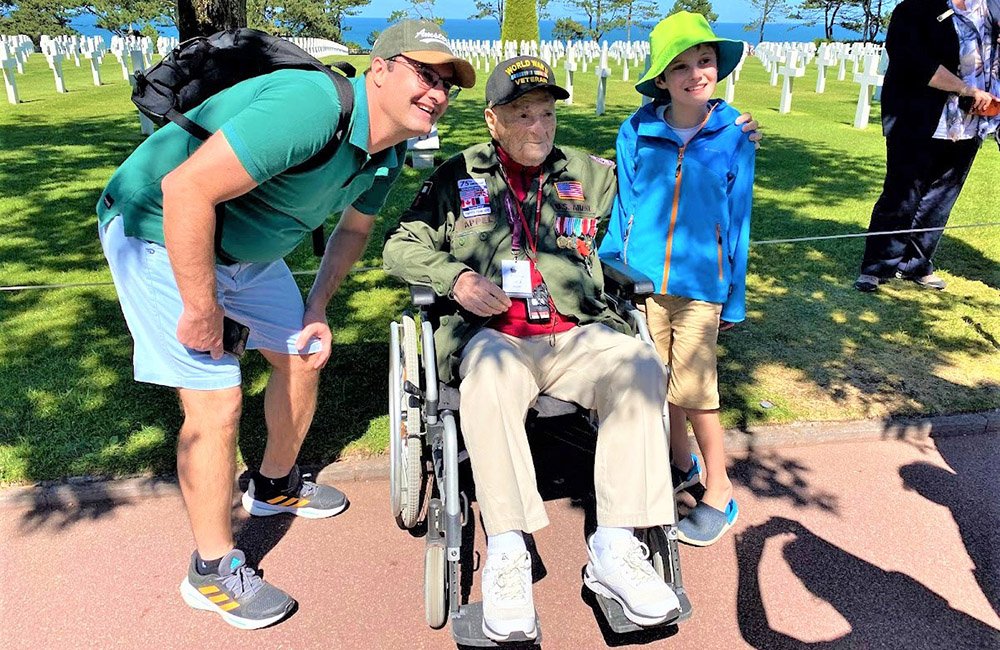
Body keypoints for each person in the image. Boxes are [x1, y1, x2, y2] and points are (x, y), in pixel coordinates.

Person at [96, 20, 474, 629]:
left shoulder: (389, 150)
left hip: (244, 248)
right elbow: (185, 190)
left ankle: (272, 484)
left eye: (446, 84)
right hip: (157, 229)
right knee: (216, 401)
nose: (437, 92)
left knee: (301, 352)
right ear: (380, 69)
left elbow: (353, 230)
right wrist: (199, 308)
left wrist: (318, 308)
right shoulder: (312, 106)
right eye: (424, 75)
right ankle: (212, 570)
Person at [382, 56, 758, 642]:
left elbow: (662, 162)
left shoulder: (588, 172)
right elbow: (400, 248)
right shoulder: (458, 178)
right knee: (488, 375)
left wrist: (727, 127)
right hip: (496, 336)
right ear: (492, 120)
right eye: (522, 114)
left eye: (548, 113)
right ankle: (507, 550)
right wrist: (454, 278)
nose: (538, 126)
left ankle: (615, 547)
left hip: (577, 331)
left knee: (638, 363)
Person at [599, 12, 754, 548]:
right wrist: (611, 260)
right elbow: (626, 203)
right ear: (661, 79)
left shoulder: (735, 134)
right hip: (642, 284)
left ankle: (720, 490)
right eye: (681, 65)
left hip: (701, 287)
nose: (696, 73)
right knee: (656, 384)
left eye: (705, 61)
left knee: (696, 389)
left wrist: (733, 297)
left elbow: (739, 219)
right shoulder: (636, 130)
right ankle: (681, 466)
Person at [854, 0, 1000, 292]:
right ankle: (878, 265)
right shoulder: (915, 8)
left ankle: (916, 264)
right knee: (902, 193)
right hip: (918, 117)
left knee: (941, 197)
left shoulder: (992, 8)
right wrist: (965, 89)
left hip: (971, 121)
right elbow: (913, 60)